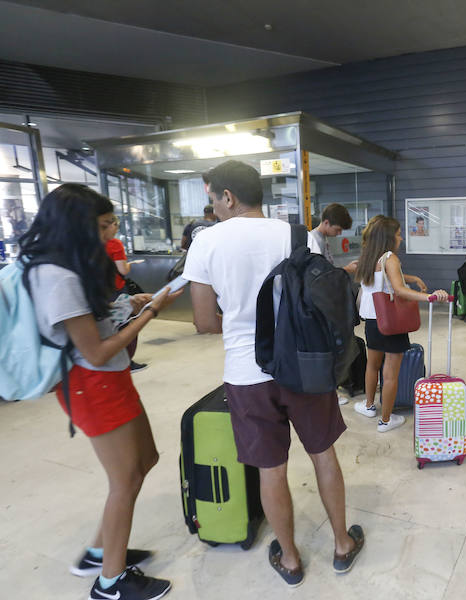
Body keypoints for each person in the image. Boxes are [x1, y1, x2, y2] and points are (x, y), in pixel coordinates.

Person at [182, 161, 364, 586]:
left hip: (247, 373)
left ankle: (290, 558)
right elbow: (325, 302)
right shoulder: (298, 235)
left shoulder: (206, 242)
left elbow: (204, 321)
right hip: (304, 366)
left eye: (214, 199)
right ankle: (341, 544)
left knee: (272, 469)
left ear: (227, 196)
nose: (214, 208)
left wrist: (240, 312)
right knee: (323, 454)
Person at [21, 184, 181, 600]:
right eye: (104, 224)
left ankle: (99, 551)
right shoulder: (56, 276)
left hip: (109, 378)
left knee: (146, 459)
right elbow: (95, 351)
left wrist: (129, 306)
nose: (112, 231)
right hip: (92, 385)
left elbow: (91, 324)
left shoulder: (67, 265)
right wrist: (150, 313)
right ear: (77, 226)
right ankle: (110, 581)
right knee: (125, 479)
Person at [355, 216, 448, 431]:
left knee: (372, 365)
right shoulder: (391, 258)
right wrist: (429, 297)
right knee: (390, 375)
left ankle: (369, 406)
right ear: (389, 237)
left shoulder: (370, 257)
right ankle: (386, 420)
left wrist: (412, 277)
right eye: (398, 234)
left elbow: (386, 277)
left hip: (371, 321)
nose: (401, 238)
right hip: (391, 322)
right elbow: (398, 289)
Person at [101, 216, 147, 372]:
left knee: (107, 325)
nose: (116, 228)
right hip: (116, 290)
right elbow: (122, 270)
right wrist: (129, 265)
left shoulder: (88, 246)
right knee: (124, 324)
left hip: (99, 291)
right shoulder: (114, 244)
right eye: (115, 225)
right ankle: (127, 362)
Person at [309, 203, 358, 275]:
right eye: (337, 229)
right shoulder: (315, 241)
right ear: (326, 223)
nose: (339, 233)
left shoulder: (323, 238)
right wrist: (347, 269)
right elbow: (319, 275)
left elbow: (327, 268)